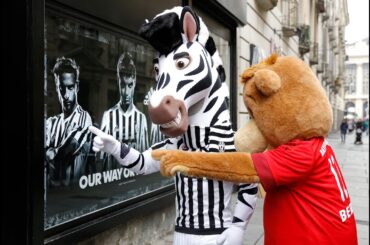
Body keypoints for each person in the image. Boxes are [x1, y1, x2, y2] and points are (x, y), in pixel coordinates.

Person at [45, 57, 92, 187]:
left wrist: (50, 151)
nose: (66, 95)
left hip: (73, 195)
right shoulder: (51, 123)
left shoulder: (84, 119)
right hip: (53, 198)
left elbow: (63, 152)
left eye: (70, 87)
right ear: (57, 88)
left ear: (76, 87)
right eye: (62, 88)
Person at [98, 52, 149, 170]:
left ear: (135, 82)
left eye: (130, 85)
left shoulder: (141, 119)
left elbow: (145, 155)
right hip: (113, 178)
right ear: (118, 82)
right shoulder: (108, 116)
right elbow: (102, 157)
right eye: (123, 85)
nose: (126, 92)